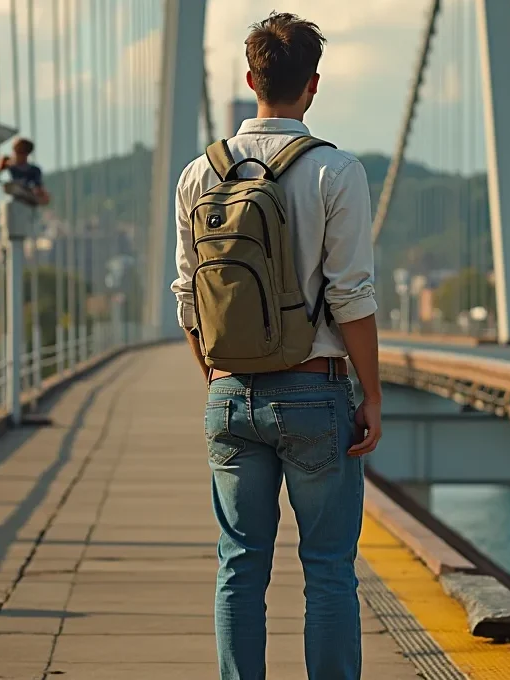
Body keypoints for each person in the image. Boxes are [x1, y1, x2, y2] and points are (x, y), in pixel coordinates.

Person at [171, 12, 381, 680]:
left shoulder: (196, 176)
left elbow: (186, 297)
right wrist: (370, 394)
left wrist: (218, 377)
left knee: (239, 567)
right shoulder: (335, 171)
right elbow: (351, 296)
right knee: (327, 572)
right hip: (314, 392)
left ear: (249, 78)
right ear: (312, 85)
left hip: (231, 394)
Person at [0, 137, 50, 206]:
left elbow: (38, 187)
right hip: (12, 200)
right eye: (15, 151)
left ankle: (27, 196)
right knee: (10, 188)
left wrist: (38, 194)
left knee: (41, 197)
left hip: (27, 198)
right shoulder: (10, 166)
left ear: (26, 153)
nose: (17, 154)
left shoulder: (34, 170)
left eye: (20, 151)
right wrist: (6, 161)